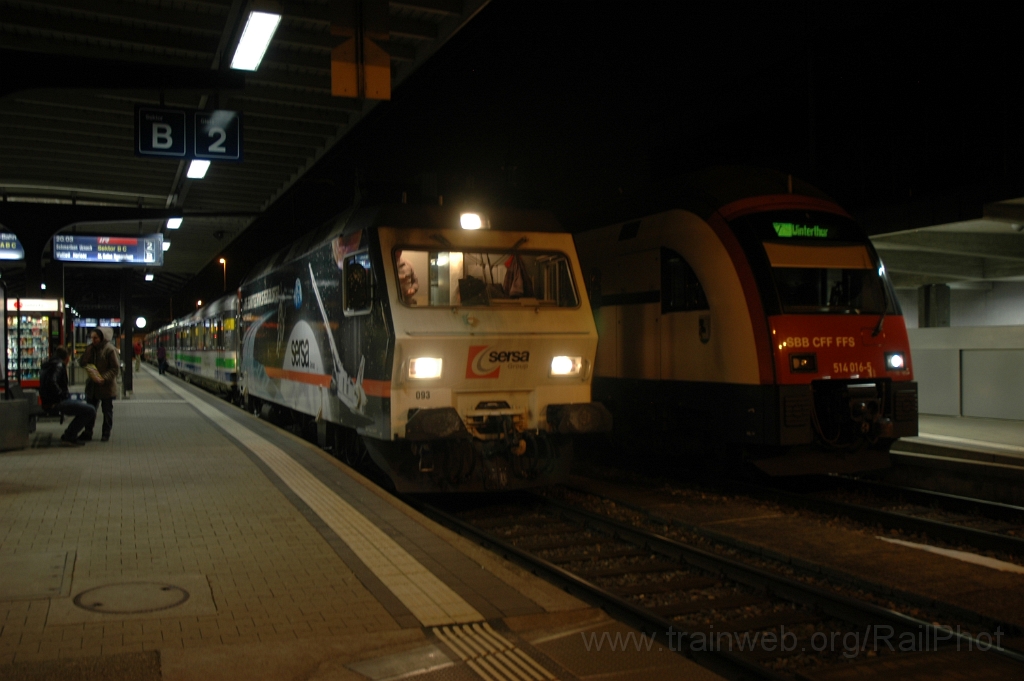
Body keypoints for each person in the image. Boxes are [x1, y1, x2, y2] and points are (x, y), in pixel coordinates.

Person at [39, 346, 97, 447]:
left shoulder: (49, 364)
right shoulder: (58, 365)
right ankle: (69, 436)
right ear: (66, 358)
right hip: (56, 402)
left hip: (49, 401)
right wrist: (62, 396)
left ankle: (69, 435)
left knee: (84, 407)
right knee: (90, 410)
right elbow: (52, 382)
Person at [78, 327, 119, 442]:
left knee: (107, 411)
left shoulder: (110, 350)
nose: (93, 340)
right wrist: (87, 353)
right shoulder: (91, 349)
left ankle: (106, 432)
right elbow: (82, 363)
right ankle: (88, 431)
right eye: (91, 338)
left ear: (102, 337)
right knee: (90, 410)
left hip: (106, 387)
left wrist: (104, 378)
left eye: (95, 338)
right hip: (93, 387)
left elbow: (115, 369)